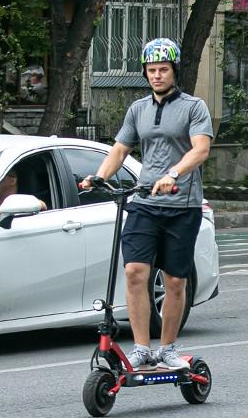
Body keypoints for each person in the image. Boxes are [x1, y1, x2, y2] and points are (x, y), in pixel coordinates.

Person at [79, 38, 213, 370]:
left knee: (174, 281)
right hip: (144, 201)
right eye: (151, 70)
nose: (157, 76)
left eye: (163, 70)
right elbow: (120, 150)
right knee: (135, 272)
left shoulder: (194, 107)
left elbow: (200, 150)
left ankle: (167, 348)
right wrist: (98, 176)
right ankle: (140, 347)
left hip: (182, 205)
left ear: (174, 72)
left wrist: (173, 173)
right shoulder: (138, 109)